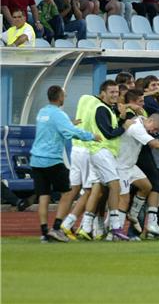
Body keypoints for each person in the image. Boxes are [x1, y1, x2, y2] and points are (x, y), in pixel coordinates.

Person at [30, 85, 99, 243]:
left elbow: (54, 128)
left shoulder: (42, 112)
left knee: (43, 195)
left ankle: (43, 233)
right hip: (52, 160)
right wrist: (91, 136)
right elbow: (70, 133)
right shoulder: (58, 114)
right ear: (59, 97)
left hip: (36, 159)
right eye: (64, 96)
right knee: (68, 192)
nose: (65, 98)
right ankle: (56, 228)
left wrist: (69, 123)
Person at [77, 80, 133, 241]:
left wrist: (121, 120)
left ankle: (86, 227)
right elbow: (109, 133)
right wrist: (125, 126)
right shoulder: (101, 109)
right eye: (111, 92)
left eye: (116, 92)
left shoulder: (107, 108)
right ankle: (115, 226)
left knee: (98, 189)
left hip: (100, 152)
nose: (115, 95)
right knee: (115, 186)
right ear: (103, 93)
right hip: (102, 152)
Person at [116, 112, 159, 238]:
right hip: (121, 167)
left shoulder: (141, 120)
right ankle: (117, 230)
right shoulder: (137, 127)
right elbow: (154, 144)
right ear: (150, 121)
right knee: (123, 199)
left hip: (131, 166)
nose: (153, 131)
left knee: (147, 186)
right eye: (155, 128)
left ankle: (133, 214)